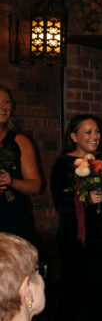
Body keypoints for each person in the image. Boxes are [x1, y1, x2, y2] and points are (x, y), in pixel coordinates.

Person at [50, 115, 102, 321]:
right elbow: (60, 202)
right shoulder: (63, 164)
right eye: (88, 132)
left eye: (97, 132)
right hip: (75, 239)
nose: (94, 137)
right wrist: (85, 199)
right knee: (78, 294)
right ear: (73, 137)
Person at [0, 85, 42, 243]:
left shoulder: (21, 141)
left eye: (6, 102)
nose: (3, 107)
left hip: (14, 216)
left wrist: (11, 181)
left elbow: (36, 186)